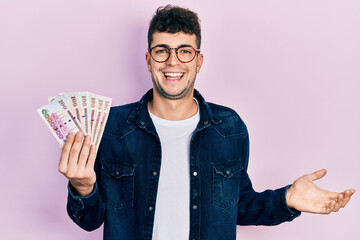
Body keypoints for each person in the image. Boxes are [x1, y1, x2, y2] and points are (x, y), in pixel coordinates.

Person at [58, 5, 355, 240]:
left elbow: (238, 206)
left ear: (198, 61)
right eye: (162, 50)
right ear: (149, 60)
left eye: (184, 51)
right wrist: (82, 187)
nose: (173, 62)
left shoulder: (229, 128)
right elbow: (90, 221)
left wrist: (288, 198)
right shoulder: (111, 128)